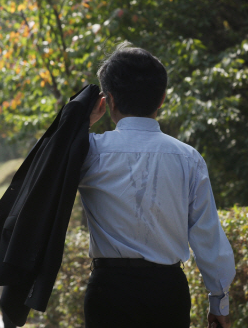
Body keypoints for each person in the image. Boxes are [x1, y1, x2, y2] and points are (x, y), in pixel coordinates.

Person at [80, 43, 236, 328]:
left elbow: (47, 174)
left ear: (109, 100)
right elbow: (207, 235)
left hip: (108, 292)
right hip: (167, 293)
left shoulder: (89, 151)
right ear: (162, 98)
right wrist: (219, 302)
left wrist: (82, 123)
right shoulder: (188, 158)